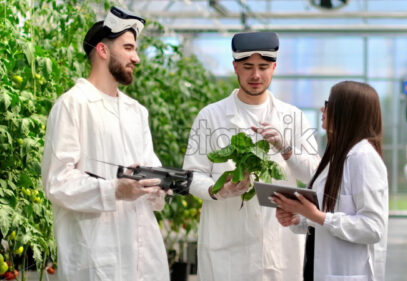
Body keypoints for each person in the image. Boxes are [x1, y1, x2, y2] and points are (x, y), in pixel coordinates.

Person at [41, 7, 170, 281]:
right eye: (128, 48)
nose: (135, 58)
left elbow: (151, 171)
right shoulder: (73, 105)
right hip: (96, 255)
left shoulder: (137, 111)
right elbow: (57, 181)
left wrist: (159, 186)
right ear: (102, 50)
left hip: (143, 256)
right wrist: (115, 190)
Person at [182, 31, 321, 281]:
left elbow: (315, 174)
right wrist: (217, 189)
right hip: (227, 247)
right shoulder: (210, 117)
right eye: (247, 67)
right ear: (235, 67)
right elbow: (193, 175)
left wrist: (286, 148)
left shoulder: (293, 117)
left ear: (274, 67)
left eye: (263, 67)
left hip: (278, 243)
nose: (255, 75)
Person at [272, 81, 389, 281]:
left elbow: (373, 227)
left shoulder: (363, 158)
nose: (322, 110)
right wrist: (299, 218)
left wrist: (318, 216)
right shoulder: (338, 156)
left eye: (329, 104)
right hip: (318, 269)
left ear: (346, 112)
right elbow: (331, 213)